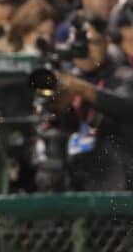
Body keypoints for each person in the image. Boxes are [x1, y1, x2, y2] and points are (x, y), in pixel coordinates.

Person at [51, 12, 133, 190]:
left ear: (107, 43)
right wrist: (59, 107)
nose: (84, 50)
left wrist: (83, 90)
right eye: (78, 43)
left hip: (117, 176)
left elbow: (126, 107)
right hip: (73, 173)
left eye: (93, 43)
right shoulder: (64, 79)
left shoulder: (124, 75)